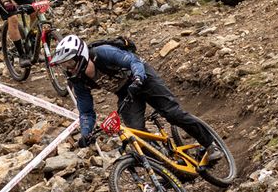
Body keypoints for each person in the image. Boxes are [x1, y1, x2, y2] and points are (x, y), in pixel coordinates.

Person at [52, 34, 223, 162]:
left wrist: (138, 78)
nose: (68, 69)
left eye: (69, 63)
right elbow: (86, 112)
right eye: (64, 66)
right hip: (125, 92)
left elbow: (133, 61)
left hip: (143, 78)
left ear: (81, 56)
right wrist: (85, 133)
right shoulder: (78, 81)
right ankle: (165, 163)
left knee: (172, 113)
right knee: (135, 132)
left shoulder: (103, 53)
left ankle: (210, 144)